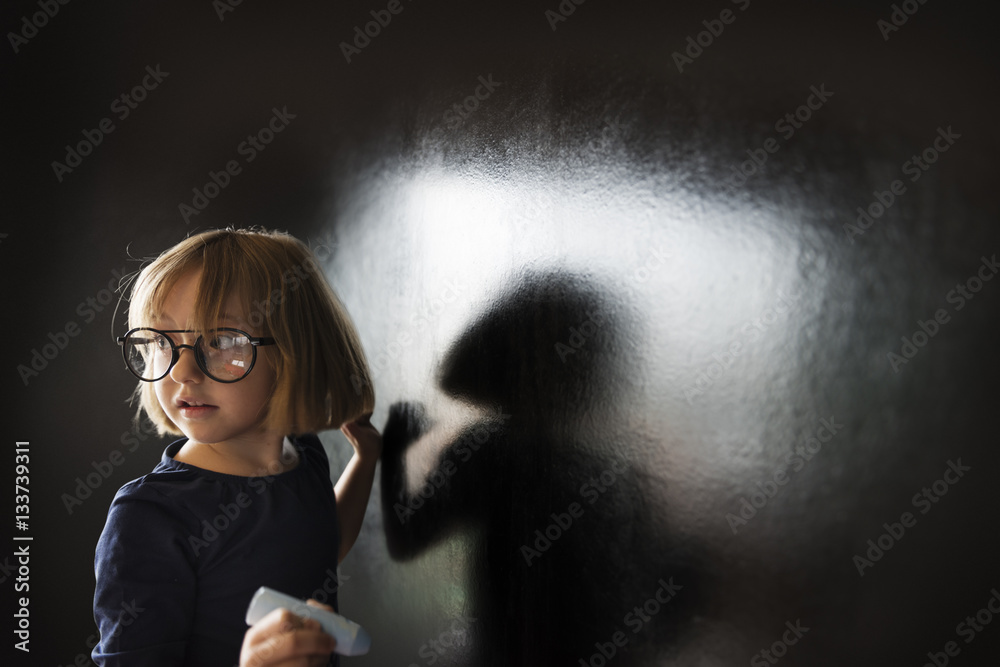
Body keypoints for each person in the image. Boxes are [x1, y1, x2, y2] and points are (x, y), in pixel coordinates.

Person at [92, 227, 381, 667]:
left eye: (222, 340)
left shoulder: (303, 456)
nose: (183, 371)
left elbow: (322, 542)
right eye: (161, 341)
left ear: (294, 353)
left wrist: (365, 460)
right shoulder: (151, 516)